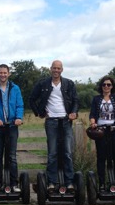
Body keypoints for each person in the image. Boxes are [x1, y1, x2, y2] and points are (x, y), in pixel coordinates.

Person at [29, 60, 79, 191]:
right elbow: (32, 99)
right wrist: (39, 112)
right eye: (54, 68)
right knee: (52, 153)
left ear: (62, 70)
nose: (56, 70)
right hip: (51, 121)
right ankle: (52, 182)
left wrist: (73, 112)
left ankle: (69, 182)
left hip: (66, 120)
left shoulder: (69, 83)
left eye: (58, 68)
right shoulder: (43, 84)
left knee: (67, 152)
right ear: (50, 69)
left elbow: (75, 100)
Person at [0, 64, 24, 192]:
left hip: (12, 125)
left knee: (12, 155)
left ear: (9, 74)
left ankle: (14, 183)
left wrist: (19, 118)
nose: (3, 75)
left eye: (5, 73)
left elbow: (20, 105)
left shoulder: (15, 88)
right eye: (0, 73)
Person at [89, 76, 115, 191]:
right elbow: (92, 115)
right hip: (101, 130)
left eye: (109, 84)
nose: (106, 86)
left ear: (112, 86)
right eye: (104, 84)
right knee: (101, 157)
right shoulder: (96, 99)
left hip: (114, 129)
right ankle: (101, 183)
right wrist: (93, 123)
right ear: (101, 86)